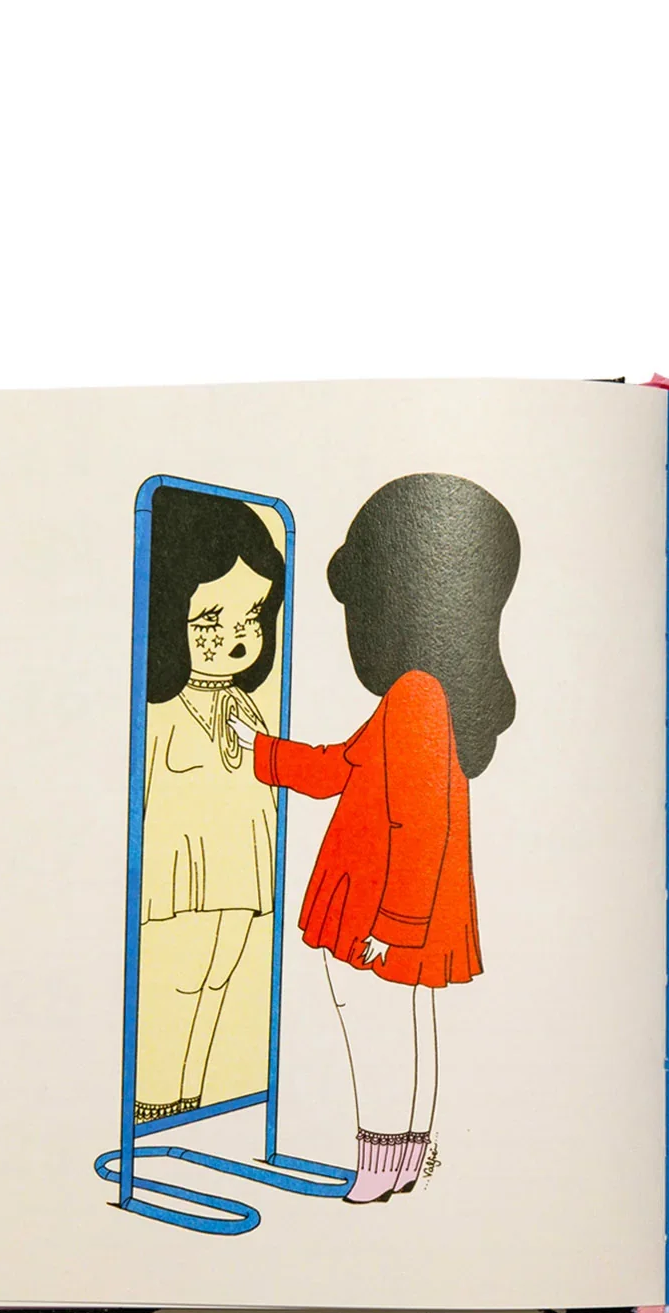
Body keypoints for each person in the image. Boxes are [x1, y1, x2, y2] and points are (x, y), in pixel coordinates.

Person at [236, 473, 520, 1202]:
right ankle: (401, 1162)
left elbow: (420, 827)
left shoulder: (417, 697)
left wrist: (391, 930)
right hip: (397, 909)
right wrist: (263, 751)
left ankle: (379, 1165)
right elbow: (341, 767)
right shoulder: (420, 693)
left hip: (386, 911)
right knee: (404, 1024)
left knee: (377, 1028)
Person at [135, 486, 284, 1123]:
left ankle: (190, 1100)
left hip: (240, 862)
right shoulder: (161, 711)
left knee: (220, 975)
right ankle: (153, 1100)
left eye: (252, 615)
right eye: (210, 623)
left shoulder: (242, 702)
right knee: (179, 976)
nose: (237, 637)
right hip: (182, 874)